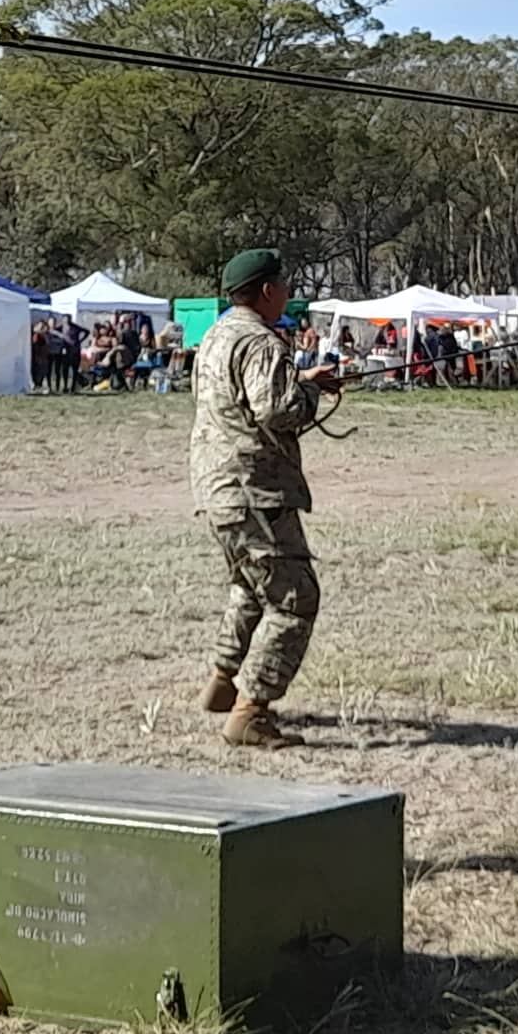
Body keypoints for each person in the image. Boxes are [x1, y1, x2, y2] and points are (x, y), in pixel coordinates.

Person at [190, 249, 340, 750]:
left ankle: (221, 680)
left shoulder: (216, 336)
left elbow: (243, 399)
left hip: (216, 487)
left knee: (250, 587)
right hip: (256, 488)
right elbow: (277, 410)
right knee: (295, 599)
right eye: (285, 287)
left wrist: (301, 380)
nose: (288, 296)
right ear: (269, 290)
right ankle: (250, 710)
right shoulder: (262, 341)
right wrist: (311, 395)